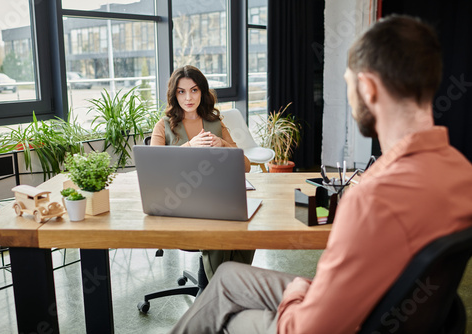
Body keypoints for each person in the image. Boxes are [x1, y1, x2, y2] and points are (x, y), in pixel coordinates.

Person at [168, 15, 472, 334]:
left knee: (225, 311)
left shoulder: (372, 199)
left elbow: (307, 328)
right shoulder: (461, 172)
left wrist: (300, 291)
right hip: (371, 303)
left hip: (329, 321)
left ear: (367, 87)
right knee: (228, 275)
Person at [151, 65, 254, 280]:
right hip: (178, 199)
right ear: (174, 94)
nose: (188, 97)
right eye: (181, 91)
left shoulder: (215, 123)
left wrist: (223, 145)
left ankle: (232, 285)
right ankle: (219, 287)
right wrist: (190, 146)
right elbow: (154, 170)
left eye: (194, 90)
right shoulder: (163, 126)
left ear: (202, 92)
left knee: (247, 225)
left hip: (215, 197)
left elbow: (245, 166)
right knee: (217, 227)